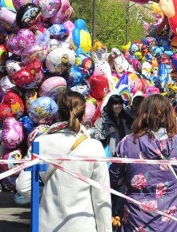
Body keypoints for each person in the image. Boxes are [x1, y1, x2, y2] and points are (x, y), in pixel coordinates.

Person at [16, 91, 111, 232]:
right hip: (82, 225)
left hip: (47, 224)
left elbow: (23, 186)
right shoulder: (94, 147)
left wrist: (46, 195)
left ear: (58, 113)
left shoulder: (41, 143)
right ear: (84, 114)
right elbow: (101, 197)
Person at [109, 94, 177, 231]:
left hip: (138, 219)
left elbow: (114, 178)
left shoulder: (128, 143)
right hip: (173, 219)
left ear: (143, 114)